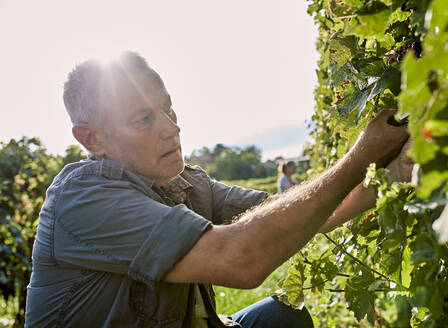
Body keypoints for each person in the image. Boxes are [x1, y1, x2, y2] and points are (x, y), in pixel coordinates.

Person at [25, 51, 410, 328]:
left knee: (281, 317)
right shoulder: (83, 200)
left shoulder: (188, 183)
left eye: (168, 109)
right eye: (143, 119)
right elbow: (240, 259)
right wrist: (359, 156)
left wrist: (389, 174)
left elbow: (297, 209)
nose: (171, 128)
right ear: (93, 138)